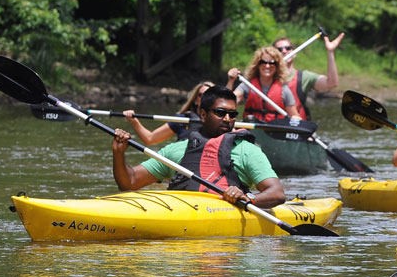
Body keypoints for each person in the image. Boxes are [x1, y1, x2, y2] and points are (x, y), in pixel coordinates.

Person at [112, 86, 287, 207]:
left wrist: (248, 198)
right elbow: (129, 182)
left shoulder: (247, 151)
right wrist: (119, 154)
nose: (227, 118)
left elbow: (277, 193)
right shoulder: (176, 150)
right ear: (203, 114)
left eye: (232, 114)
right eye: (220, 113)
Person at [271, 33, 345, 120]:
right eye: (279, 49)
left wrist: (330, 52)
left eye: (288, 48)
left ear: (294, 53)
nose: (284, 51)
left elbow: (332, 83)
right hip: (272, 126)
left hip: (296, 128)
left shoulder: (304, 77)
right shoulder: (265, 77)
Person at [122, 81, 213, 145]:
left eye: (209, 94)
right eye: (201, 95)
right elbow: (150, 138)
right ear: (195, 100)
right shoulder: (182, 119)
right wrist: (134, 121)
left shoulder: (223, 121)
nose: (205, 98)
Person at [225, 46, 301, 122]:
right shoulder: (247, 85)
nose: (267, 66)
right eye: (263, 62)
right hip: (250, 129)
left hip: (274, 131)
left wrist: (296, 119)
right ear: (258, 65)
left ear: (277, 66)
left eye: (272, 63)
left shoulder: (284, 90)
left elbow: (294, 115)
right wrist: (231, 81)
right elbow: (227, 103)